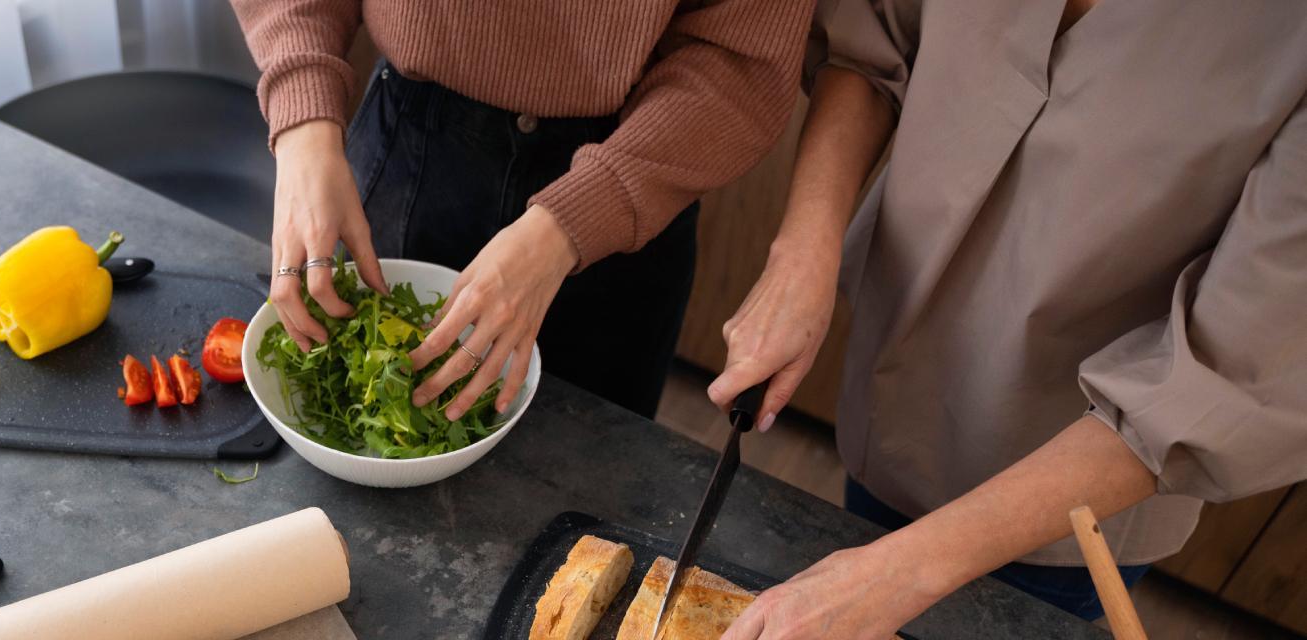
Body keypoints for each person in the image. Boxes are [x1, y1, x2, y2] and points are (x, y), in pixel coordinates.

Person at [706, 1, 1307, 637]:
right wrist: (804, 247)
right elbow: (875, 31)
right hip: (894, 391)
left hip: (1076, 487)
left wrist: (899, 574)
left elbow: (1233, 374)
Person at [231, 0, 815, 420]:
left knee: (585, 503)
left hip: (632, 176)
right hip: (409, 141)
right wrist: (302, 116)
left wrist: (572, 223)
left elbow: (740, 58)